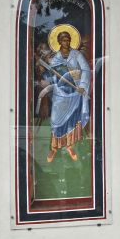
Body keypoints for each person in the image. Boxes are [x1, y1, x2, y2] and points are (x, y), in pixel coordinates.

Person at [44, 29, 91, 163]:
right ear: (59, 41)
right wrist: (53, 75)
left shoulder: (76, 55)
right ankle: (54, 147)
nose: (67, 42)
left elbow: (86, 69)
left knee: (71, 119)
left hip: (74, 92)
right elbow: (51, 75)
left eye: (68, 39)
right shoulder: (56, 58)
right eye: (64, 39)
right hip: (60, 93)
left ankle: (70, 145)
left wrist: (82, 85)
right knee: (56, 120)